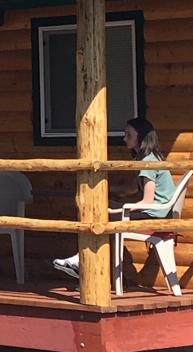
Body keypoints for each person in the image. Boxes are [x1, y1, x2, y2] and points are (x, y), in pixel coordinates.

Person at [51, 118, 180, 293]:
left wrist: (117, 209)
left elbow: (147, 201)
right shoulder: (148, 159)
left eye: (129, 135)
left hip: (155, 215)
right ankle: (85, 264)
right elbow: (133, 189)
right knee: (100, 208)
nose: (124, 139)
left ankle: (83, 262)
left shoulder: (148, 162)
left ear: (141, 137)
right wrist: (106, 189)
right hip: (154, 212)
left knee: (101, 215)